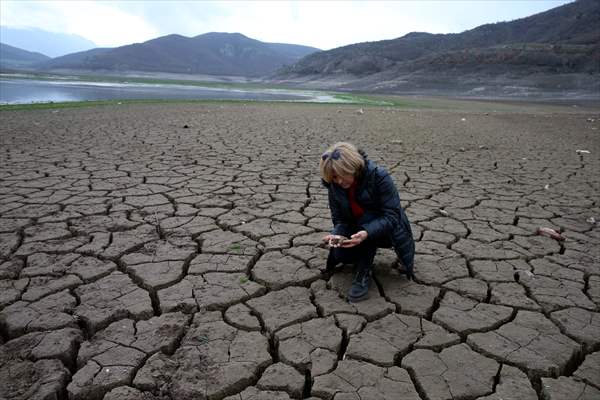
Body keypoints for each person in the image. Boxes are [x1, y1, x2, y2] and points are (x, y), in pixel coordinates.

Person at [320, 142, 415, 302]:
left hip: (387, 230)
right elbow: (340, 219)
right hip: (358, 228)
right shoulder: (334, 186)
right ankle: (359, 254)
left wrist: (366, 232)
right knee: (341, 253)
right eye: (334, 177)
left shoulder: (379, 177)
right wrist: (336, 236)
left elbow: (392, 216)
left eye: (342, 174)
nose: (339, 181)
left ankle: (364, 270)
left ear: (353, 167)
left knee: (367, 220)